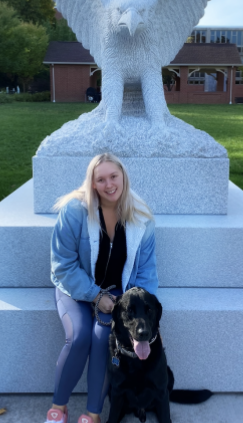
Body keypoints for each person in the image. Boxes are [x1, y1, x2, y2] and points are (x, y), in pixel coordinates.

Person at [45, 153, 158, 423]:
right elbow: (62, 265)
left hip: (117, 295)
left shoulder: (142, 218)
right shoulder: (74, 211)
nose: (109, 184)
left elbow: (146, 274)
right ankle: (58, 408)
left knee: (102, 338)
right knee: (80, 336)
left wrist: (145, 317)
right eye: (101, 179)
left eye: (113, 177)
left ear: (123, 177)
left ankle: (92, 414)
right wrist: (96, 295)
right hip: (74, 289)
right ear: (92, 183)